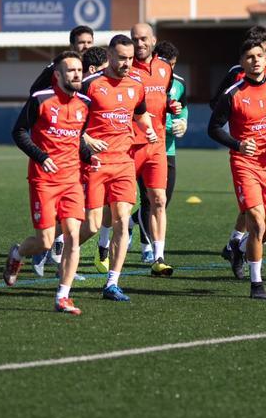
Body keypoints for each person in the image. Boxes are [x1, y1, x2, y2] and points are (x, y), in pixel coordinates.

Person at [3, 52, 91, 315]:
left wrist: (90, 157)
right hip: (43, 180)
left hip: (72, 181)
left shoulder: (85, 104)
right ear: (58, 75)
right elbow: (18, 132)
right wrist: (41, 157)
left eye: (79, 70)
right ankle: (18, 254)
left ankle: (63, 296)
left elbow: (77, 140)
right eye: (71, 71)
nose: (77, 74)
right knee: (44, 241)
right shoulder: (40, 100)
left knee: (73, 237)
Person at [208, 38, 266, 299]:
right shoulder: (233, 93)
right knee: (256, 222)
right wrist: (237, 144)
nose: (255, 60)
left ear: (265, 57)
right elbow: (213, 129)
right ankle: (257, 283)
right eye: (249, 57)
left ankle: (238, 249)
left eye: (259, 55)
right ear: (242, 63)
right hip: (244, 164)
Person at [77, 35, 156, 302]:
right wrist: (87, 140)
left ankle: (112, 283)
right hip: (95, 164)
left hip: (123, 162)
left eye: (130, 58)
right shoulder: (90, 85)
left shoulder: (136, 84)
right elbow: (72, 121)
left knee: (123, 219)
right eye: (121, 58)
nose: (126, 63)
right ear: (109, 55)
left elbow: (140, 112)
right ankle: (61, 249)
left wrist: (149, 127)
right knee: (92, 225)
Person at [127, 22, 179, 277]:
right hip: (127, 145)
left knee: (158, 199)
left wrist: (172, 107)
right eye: (135, 39)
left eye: (144, 39)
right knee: (119, 206)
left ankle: (158, 256)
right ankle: (103, 247)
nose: (139, 44)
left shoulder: (165, 68)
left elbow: (164, 99)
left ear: (154, 40)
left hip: (156, 144)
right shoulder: (125, 67)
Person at [135, 41, 187, 264]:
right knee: (148, 201)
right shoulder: (136, 77)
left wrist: (183, 122)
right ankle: (148, 248)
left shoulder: (178, 83)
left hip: (168, 148)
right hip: (140, 145)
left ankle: (132, 222)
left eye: (174, 65)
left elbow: (182, 107)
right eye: (168, 64)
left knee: (162, 201)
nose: (171, 69)